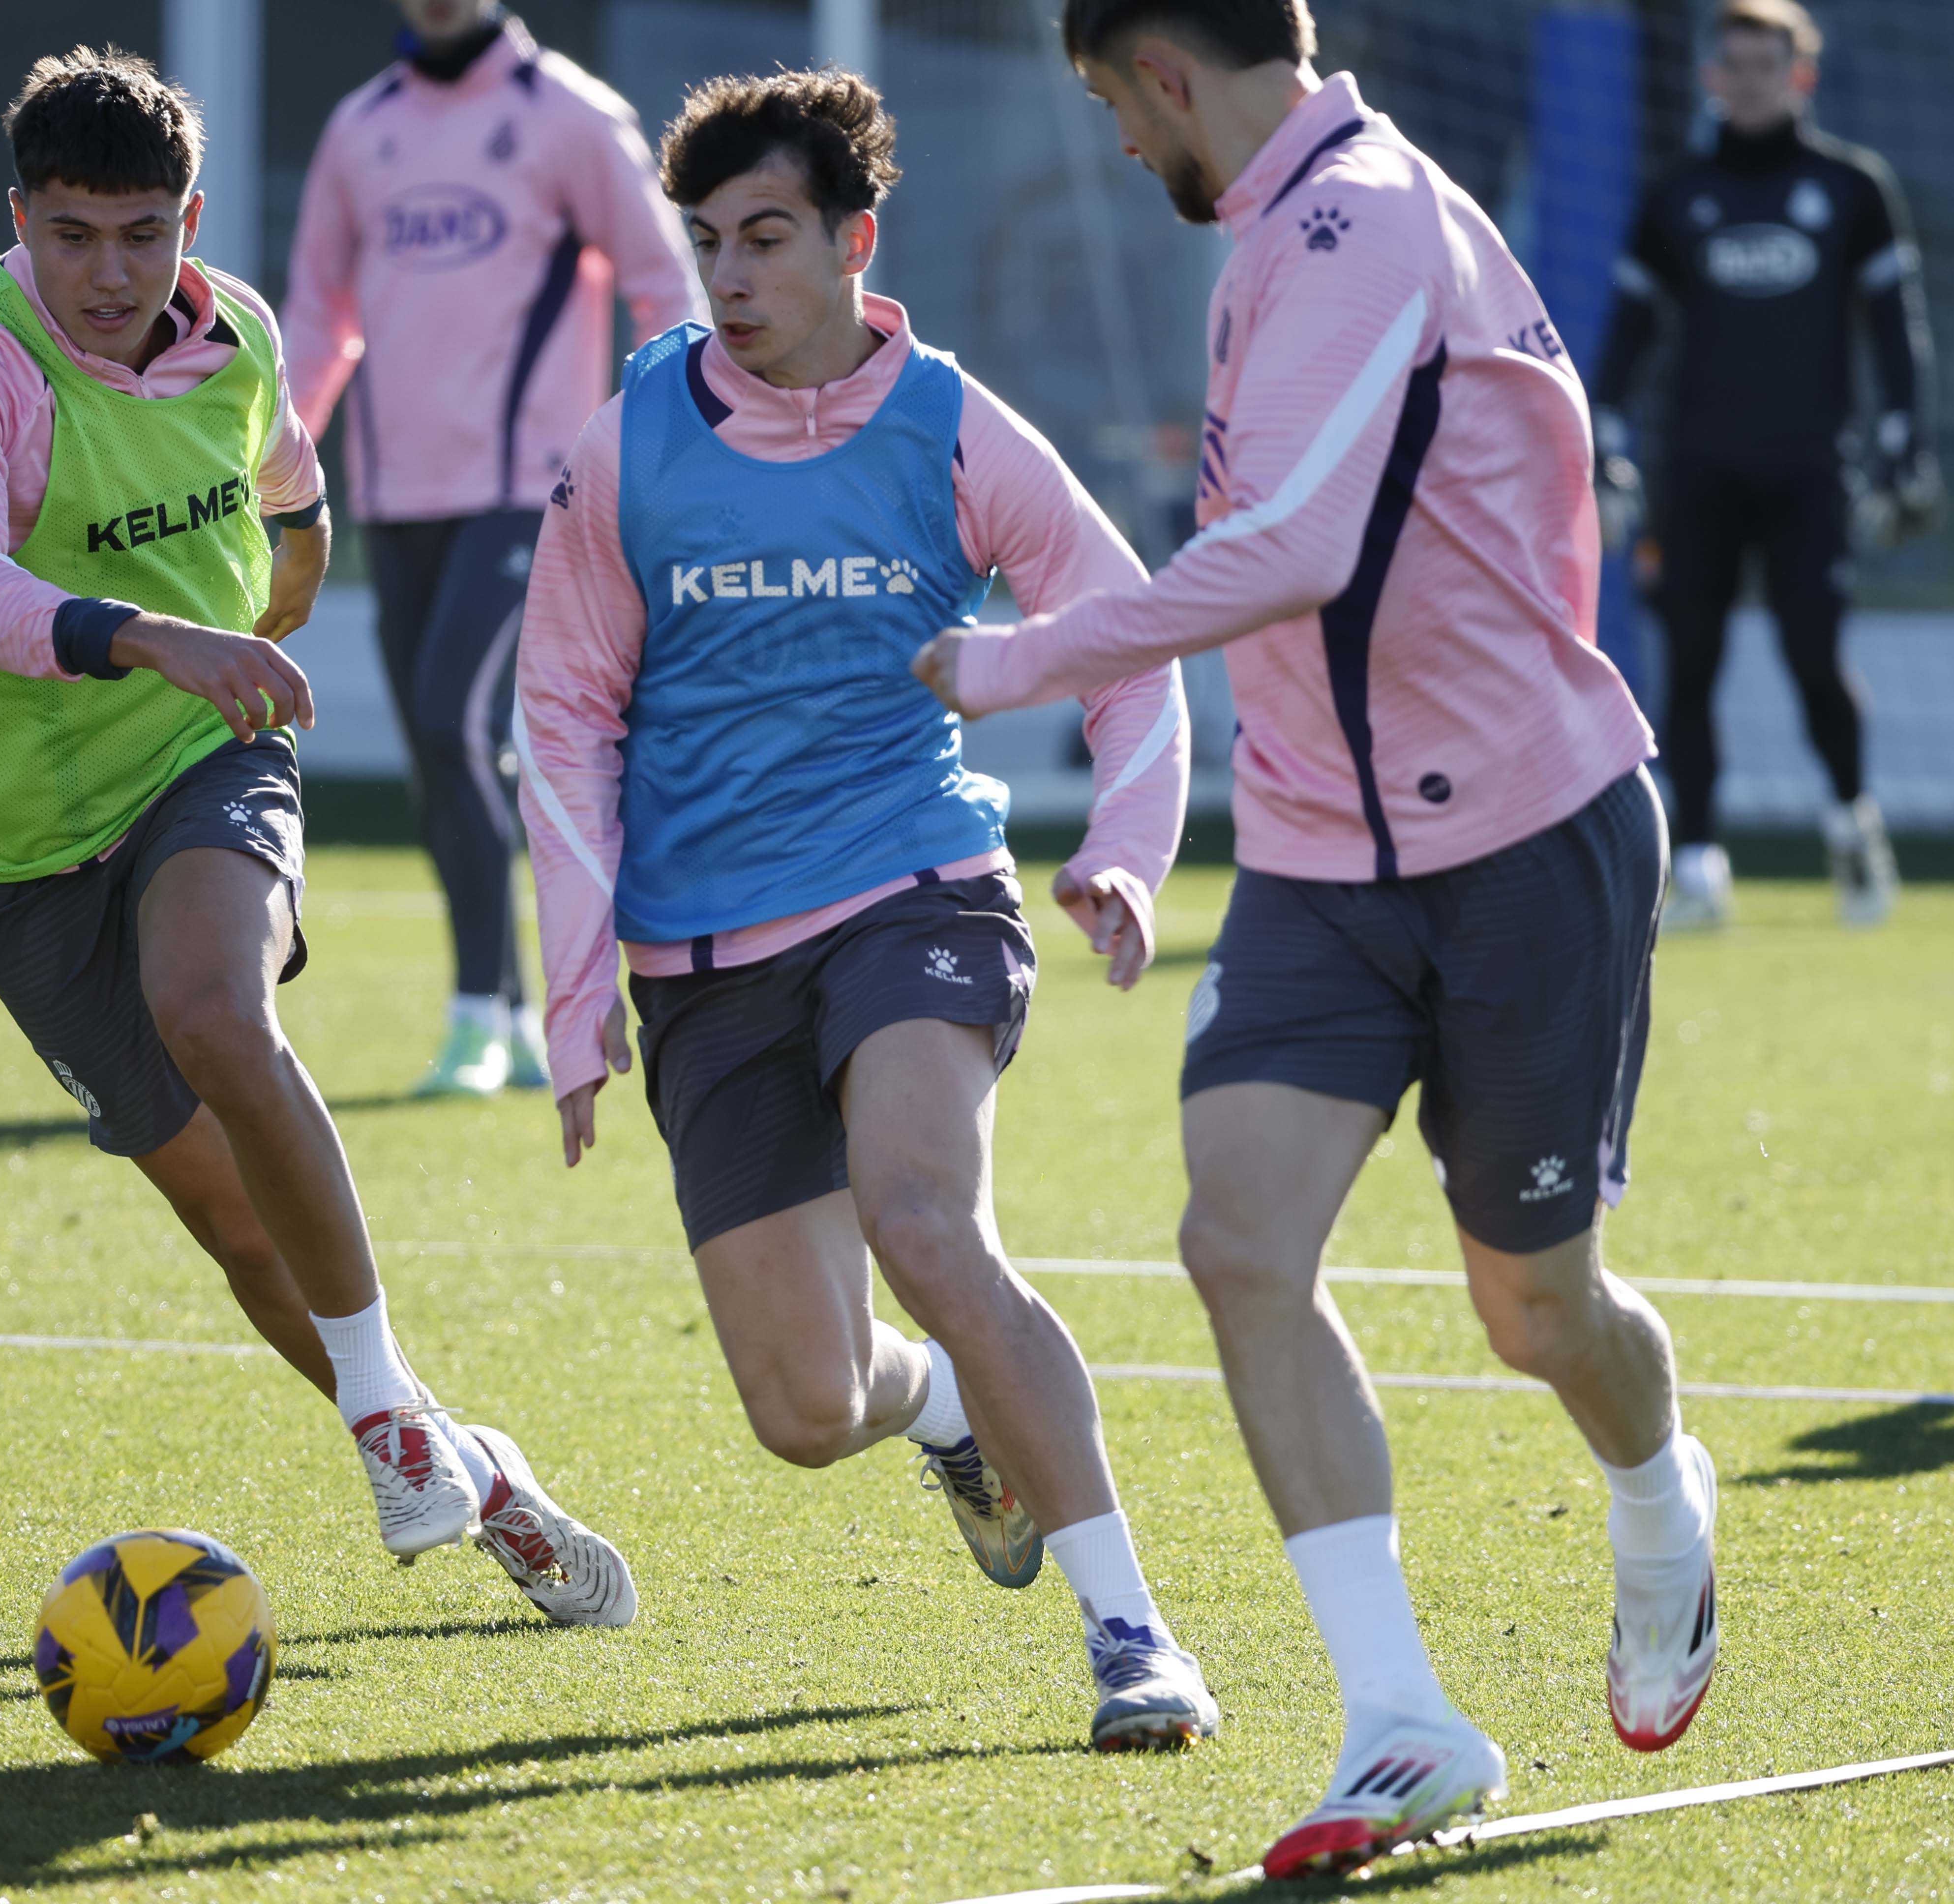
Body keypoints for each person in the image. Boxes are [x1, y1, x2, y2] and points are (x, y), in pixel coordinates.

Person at [919, 0, 1718, 1872]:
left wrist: (1028, 662)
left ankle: (1655, 1497)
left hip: (1524, 832)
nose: (1123, 144)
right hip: (1314, 856)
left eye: (1113, 104)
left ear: (1163, 71)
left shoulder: (1365, 220)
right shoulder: (1277, 224)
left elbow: (1292, 545)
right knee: (1237, 1243)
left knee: (1534, 1309)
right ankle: (1400, 1720)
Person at [0, 46, 632, 1627]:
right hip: (7, 846)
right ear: (19, 220)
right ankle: (468, 1462)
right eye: (72, 235)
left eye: (142, 235)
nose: (109, 273)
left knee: (216, 1007)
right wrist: (166, 632)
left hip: (196, 760)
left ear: (192, 222)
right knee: (235, 1228)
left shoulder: (242, 336)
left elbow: (291, 492)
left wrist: (274, 596)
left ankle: (382, 1426)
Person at [517, 68, 1215, 1751]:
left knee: (922, 1218)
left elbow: (1126, 641)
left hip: (914, 892)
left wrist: (1129, 848)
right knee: (806, 1409)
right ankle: (943, 1406)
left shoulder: (955, 427)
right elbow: (561, 716)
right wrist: (576, 990)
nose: (730, 276)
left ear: (854, 241)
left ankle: (1133, 1634)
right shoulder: (626, 446)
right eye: (707, 243)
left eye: (765, 236)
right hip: (701, 959)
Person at [283, 0, 702, 1094]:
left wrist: (659, 452)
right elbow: (318, 315)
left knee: (448, 718)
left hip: (530, 493)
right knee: (440, 753)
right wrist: (273, 469)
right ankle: (512, 1016)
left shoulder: (569, 115)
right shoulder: (358, 127)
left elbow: (666, 288)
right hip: (393, 498)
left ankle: (479, 1011)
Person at [1594, 0, 1937, 930]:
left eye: (1766, 65)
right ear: (1709, 76)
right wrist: (1603, 434)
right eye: (1732, 65)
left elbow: (1895, 330)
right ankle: (1699, 865)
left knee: (1813, 656)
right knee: (1689, 663)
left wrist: (1905, 439)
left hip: (1808, 472)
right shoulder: (1676, 196)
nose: (1747, 82)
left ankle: (1852, 823)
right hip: (1698, 470)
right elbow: (1627, 334)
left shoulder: (1852, 189)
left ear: (1801, 75)